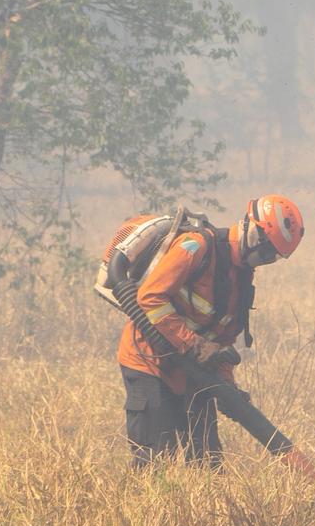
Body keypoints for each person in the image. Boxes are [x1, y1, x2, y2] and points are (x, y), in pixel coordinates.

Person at [117, 195, 304, 467]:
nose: (266, 260)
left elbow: (223, 340)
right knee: (157, 458)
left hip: (194, 369)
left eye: (274, 257)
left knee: (207, 461)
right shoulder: (196, 247)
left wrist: (227, 385)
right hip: (150, 361)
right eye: (267, 252)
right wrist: (193, 344)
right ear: (253, 232)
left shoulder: (242, 278)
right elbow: (150, 298)